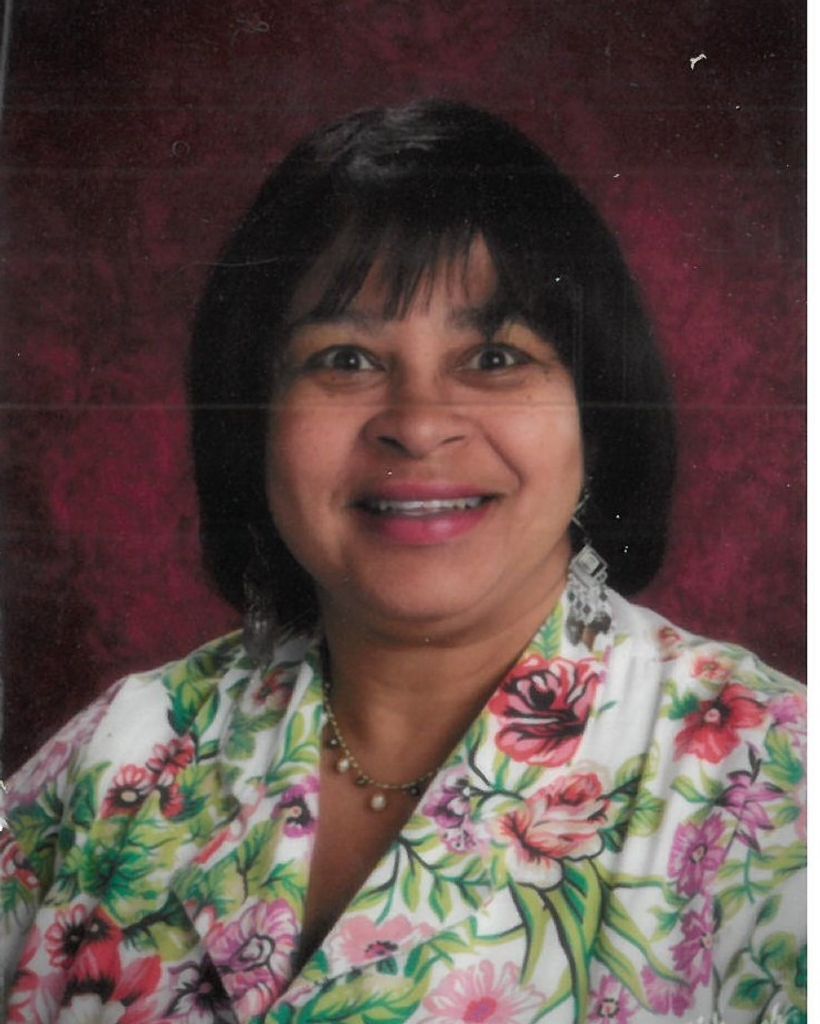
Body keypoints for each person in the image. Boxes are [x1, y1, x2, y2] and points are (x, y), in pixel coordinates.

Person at [1, 101, 805, 1024]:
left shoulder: (777, 783)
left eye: (495, 357)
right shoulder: (117, 757)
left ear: (596, 413)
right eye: (345, 359)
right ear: (255, 419)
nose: (419, 424)